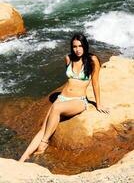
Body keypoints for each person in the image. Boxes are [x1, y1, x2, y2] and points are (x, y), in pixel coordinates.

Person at [19, 33, 109, 162]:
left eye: (80, 46)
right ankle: (23, 158)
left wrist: (98, 104)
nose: (77, 49)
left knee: (55, 108)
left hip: (79, 101)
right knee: (44, 127)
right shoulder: (68, 58)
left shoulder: (92, 60)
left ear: (85, 46)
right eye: (74, 46)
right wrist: (61, 98)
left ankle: (44, 142)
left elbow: (95, 83)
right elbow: (70, 81)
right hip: (63, 98)